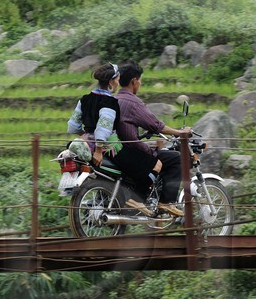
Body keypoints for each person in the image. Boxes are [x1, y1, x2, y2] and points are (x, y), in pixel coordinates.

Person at [66, 63, 161, 210]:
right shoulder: (110, 102)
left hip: (88, 143)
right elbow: (103, 128)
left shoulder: (84, 99)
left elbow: (73, 125)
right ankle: (138, 199)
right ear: (111, 82)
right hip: (112, 149)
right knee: (156, 164)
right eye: (117, 79)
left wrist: (86, 136)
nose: (118, 83)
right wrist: (98, 150)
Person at [116, 63, 183, 212]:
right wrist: (180, 133)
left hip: (118, 150)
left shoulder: (115, 99)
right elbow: (155, 125)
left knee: (155, 151)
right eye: (140, 81)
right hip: (131, 151)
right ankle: (165, 202)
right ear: (134, 81)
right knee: (175, 158)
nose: (140, 84)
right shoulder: (132, 102)